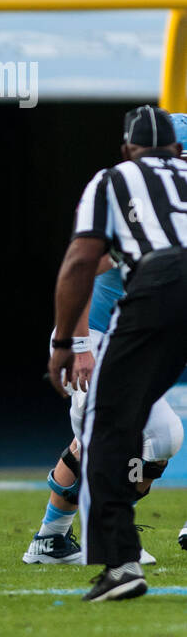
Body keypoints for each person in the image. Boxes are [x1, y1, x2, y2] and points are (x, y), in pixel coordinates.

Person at [49, 105, 187, 602]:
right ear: (174, 149)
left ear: (129, 149)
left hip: (159, 286)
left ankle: (119, 562)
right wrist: (79, 341)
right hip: (119, 321)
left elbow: (82, 258)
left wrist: (64, 343)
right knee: (146, 431)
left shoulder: (113, 180)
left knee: (112, 426)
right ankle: (52, 536)